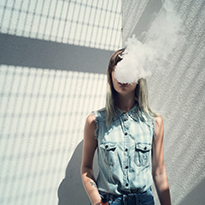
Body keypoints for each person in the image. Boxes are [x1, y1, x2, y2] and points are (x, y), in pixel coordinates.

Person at [81, 48, 171, 205]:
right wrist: (97, 202)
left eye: (129, 70)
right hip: (108, 200)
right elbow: (86, 168)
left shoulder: (154, 123)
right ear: (111, 75)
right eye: (118, 69)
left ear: (139, 77)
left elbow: (159, 172)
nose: (123, 76)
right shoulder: (95, 122)